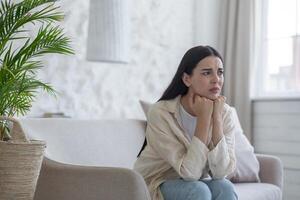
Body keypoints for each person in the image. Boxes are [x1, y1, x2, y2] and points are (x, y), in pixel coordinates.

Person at [134, 46, 239, 200]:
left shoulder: (225, 113)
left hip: (191, 182)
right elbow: (191, 173)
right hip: (156, 182)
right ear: (187, 79)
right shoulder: (161, 113)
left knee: (225, 187)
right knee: (198, 190)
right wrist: (204, 119)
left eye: (220, 72)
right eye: (207, 72)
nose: (216, 79)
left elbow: (221, 173)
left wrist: (216, 118)